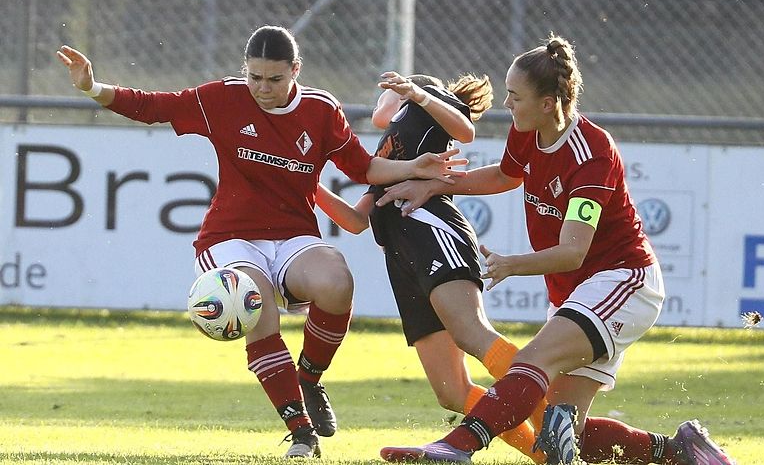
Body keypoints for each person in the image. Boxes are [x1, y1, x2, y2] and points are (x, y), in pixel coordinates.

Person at [55, 25, 466, 459]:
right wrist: (93, 87)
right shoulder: (223, 98)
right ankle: (301, 432)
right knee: (255, 304)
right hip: (230, 237)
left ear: (295, 71)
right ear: (245, 70)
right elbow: (153, 106)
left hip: (293, 234)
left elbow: (362, 168)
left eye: (274, 79)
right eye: (254, 77)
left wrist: (413, 167)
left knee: (337, 282)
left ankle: (308, 378)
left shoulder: (321, 109)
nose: (262, 88)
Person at [374, 36, 734, 465]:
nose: (507, 103)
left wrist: (511, 264)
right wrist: (436, 185)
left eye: (515, 96)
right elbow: (506, 176)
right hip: (577, 291)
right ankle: (679, 451)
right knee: (562, 433)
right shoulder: (528, 130)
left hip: (623, 281)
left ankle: (457, 446)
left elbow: (572, 252)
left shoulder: (592, 153)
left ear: (547, 104)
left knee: (532, 360)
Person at [315, 71, 547, 463]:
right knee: (451, 392)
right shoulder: (387, 152)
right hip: (402, 256)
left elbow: (465, 130)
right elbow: (355, 221)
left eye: (384, 95)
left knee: (472, 333)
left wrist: (419, 94)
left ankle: (556, 421)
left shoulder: (424, 102)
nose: (378, 103)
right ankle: (546, 456)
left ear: (402, 92)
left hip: (433, 231)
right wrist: (308, 186)